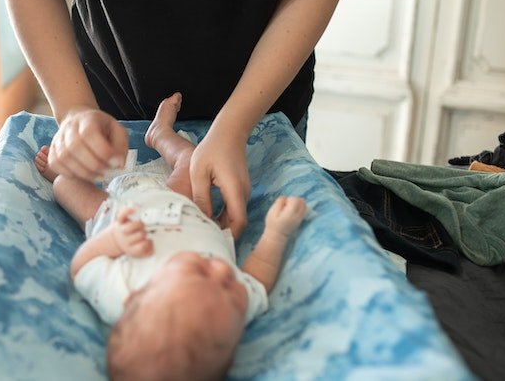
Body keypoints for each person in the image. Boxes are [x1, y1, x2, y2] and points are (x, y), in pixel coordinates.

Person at [2, 0, 346, 240]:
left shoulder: (114, 275)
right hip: (113, 108)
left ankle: (150, 140)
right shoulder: (226, 285)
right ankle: (158, 136)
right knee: (181, 175)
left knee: (89, 203)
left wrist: (235, 127)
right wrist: (75, 110)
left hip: (261, 108)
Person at [35, 96, 307, 380]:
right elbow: (258, 279)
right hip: (186, 206)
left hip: (117, 212)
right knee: (192, 159)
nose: (223, 269)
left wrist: (114, 241)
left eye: (199, 270)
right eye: (229, 283)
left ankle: (59, 174)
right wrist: (277, 232)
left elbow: (82, 266)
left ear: (144, 298)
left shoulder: (123, 295)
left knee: (68, 188)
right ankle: (161, 134)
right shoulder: (231, 308)